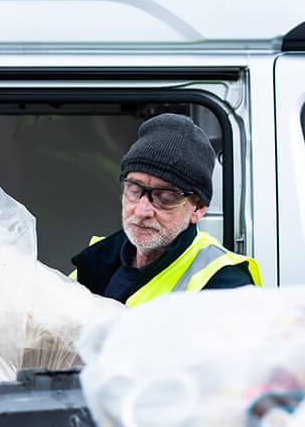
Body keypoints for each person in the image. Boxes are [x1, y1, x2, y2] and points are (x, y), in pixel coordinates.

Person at [71, 112, 261, 306]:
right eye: (135, 189)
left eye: (165, 198)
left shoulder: (225, 283)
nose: (142, 210)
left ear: (198, 209)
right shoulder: (97, 259)